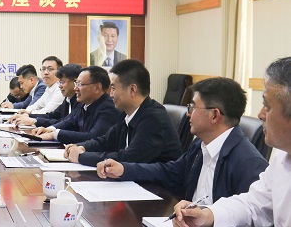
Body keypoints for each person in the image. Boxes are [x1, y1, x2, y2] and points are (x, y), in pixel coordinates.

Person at [172, 57, 291, 227]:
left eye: (267, 106)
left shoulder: (248, 159)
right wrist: (207, 215)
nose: (260, 114)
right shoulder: (283, 156)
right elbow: (254, 203)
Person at [97, 77, 268, 205]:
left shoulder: (248, 163)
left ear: (214, 115)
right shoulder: (200, 145)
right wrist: (124, 169)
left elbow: (257, 226)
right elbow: (168, 172)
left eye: (192, 107)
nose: (188, 113)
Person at [64, 59, 182, 166]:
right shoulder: (127, 113)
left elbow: (128, 158)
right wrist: (81, 147)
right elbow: (105, 141)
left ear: (132, 90)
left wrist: (81, 157)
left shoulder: (153, 118)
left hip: (155, 183)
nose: (110, 94)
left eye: (113, 88)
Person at [34, 66, 121, 144]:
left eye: (80, 84)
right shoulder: (85, 104)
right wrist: (49, 129)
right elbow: (69, 122)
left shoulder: (109, 108)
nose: (75, 88)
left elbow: (93, 137)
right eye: (76, 83)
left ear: (97, 88)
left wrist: (55, 134)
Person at [13, 64, 81, 127]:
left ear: (75, 82)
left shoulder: (80, 102)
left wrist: (35, 121)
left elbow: (66, 123)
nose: (60, 86)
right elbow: (52, 115)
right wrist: (28, 115)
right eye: (43, 69)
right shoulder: (67, 99)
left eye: (62, 82)